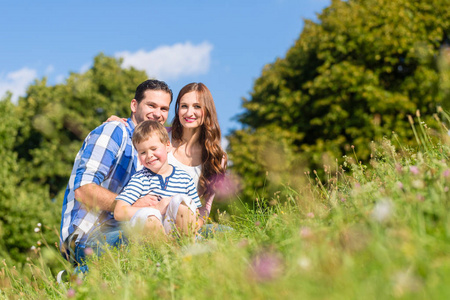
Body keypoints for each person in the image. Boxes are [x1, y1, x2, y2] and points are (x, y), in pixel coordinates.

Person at [59, 79, 173, 267]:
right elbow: (83, 189)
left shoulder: (152, 150)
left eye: (164, 109)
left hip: (128, 228)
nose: (158, 114)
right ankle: (77, 277)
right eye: (151, 105)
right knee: (152, 246)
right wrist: (131, 204)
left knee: (211, 233)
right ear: (134, 105)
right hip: (89, 234)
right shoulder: (114, 131)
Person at [106, 82, 228, 235]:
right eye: (184, 106)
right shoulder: (160, 136)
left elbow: (204, 208)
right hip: (150, 220)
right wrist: (119, 124)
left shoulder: (216, 157)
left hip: (187, 224)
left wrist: (190, 228)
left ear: (207, 110)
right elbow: (139, 132)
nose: (189, 112)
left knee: (227, 232)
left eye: (197, 106)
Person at [114, 120, 201, 238]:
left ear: (167, 146)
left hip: (177, 231)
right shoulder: (140, 179)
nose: (149, 155)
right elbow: (119, 212)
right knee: (150, 217)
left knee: (182, 202)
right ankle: (165, 251)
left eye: (154, 149)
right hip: (151, 236)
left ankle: (186, 247)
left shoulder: (185, 179)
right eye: (143, 152)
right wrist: (155, 208)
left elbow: (197, 214)